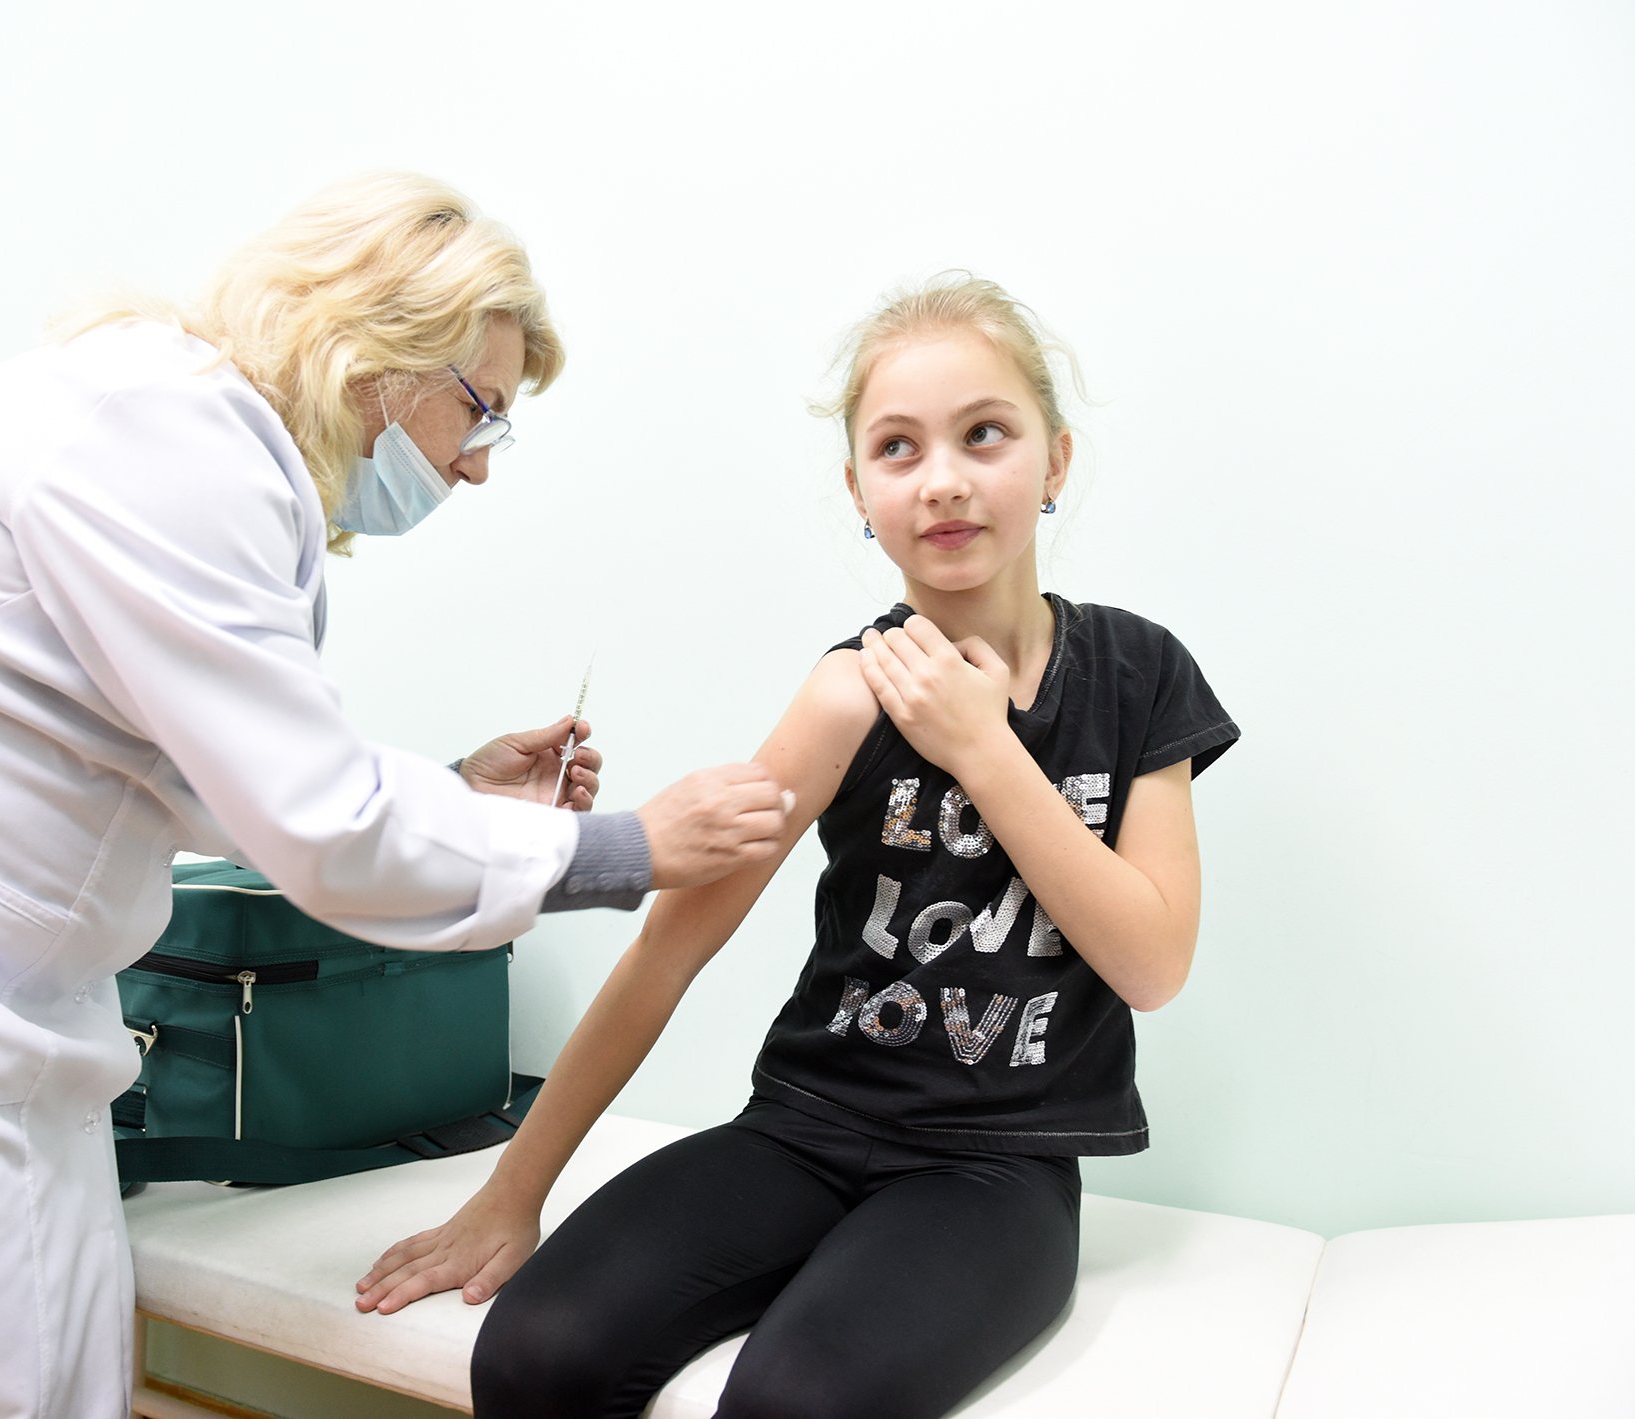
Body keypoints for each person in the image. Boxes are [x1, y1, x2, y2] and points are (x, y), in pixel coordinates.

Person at [0, 173, 792, 1419]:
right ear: (375, 349)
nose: (476, 468)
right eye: (480, 413)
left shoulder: (186, 438)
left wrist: (454, 793)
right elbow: (312, 818)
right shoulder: (164, 434)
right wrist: (627, 848)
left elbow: (214, 773)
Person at [357, 274, 1240, 1419]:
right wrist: (510, 1193)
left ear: (1055, 461)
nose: (944, 480)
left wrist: (984, 750)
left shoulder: (1138, 675)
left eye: (984, 433)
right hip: (804, 1129)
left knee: (797, 1404)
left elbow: (1152, 965)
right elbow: (670, 948)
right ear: (860, 490)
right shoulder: (845, 697)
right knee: (532, 1353)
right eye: (898, 447)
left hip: (996, 1168)